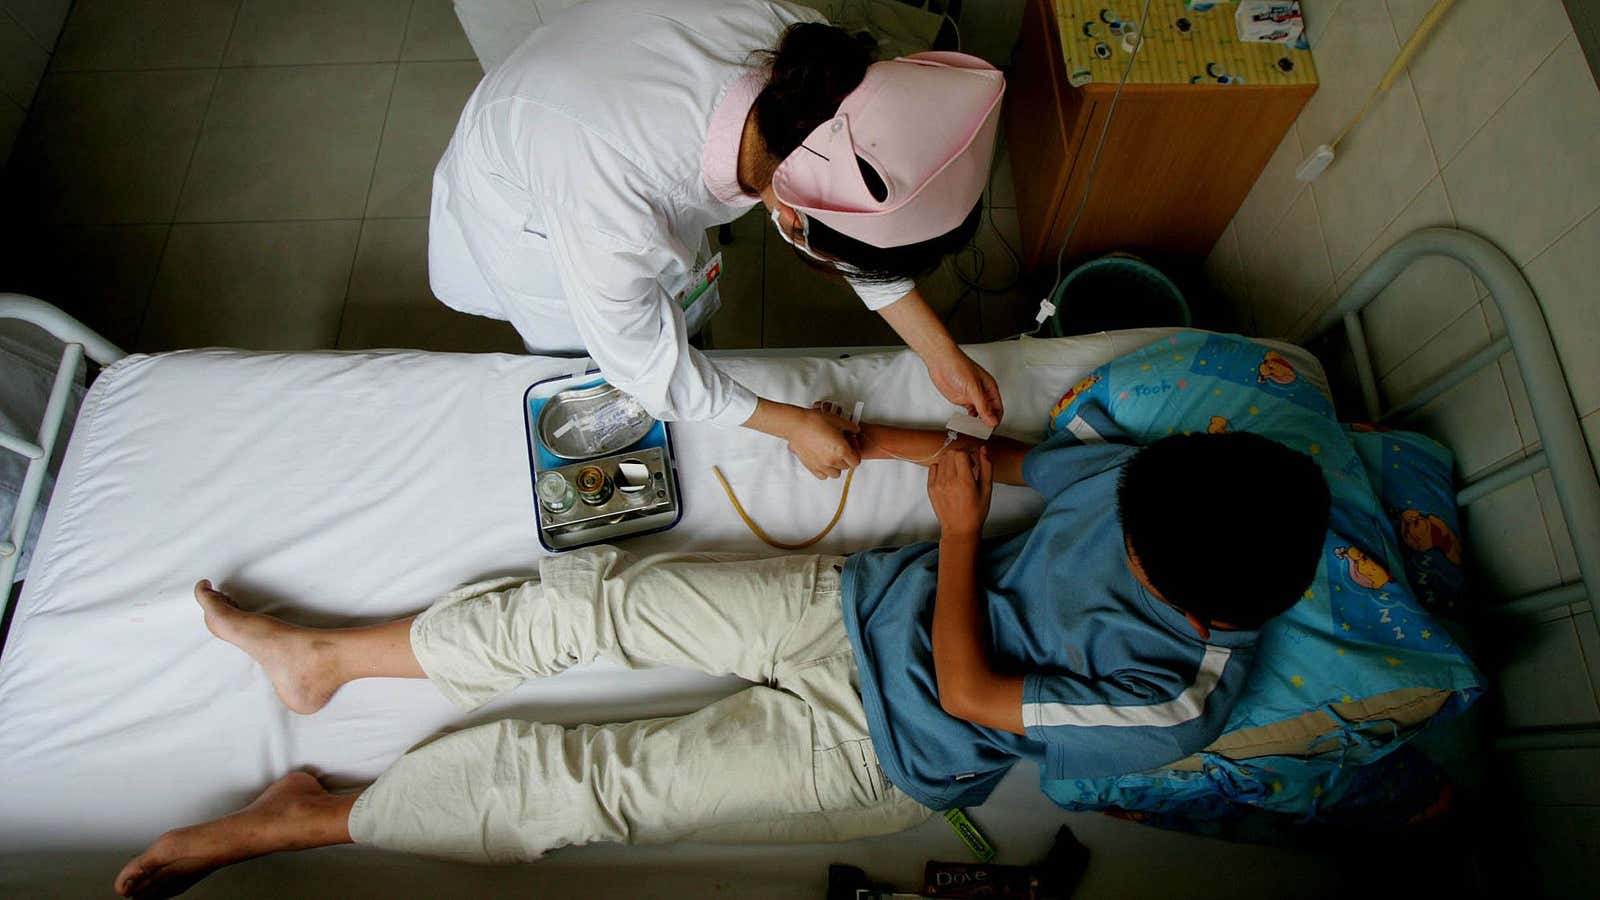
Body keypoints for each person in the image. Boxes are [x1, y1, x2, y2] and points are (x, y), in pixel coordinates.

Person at [114, 414, 1331, 899]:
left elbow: (970, 692)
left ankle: (305, 820)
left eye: (1135, 555)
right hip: (853, 601)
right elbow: (1008, 461)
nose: (1113, 531)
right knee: (602, 602)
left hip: (879, 753)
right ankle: (324, 660)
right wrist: (871, 442)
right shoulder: (1168, 485)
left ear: (1197, 605)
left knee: (600, 793)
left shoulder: (1178, 699)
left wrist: (959, 532)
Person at [429, 0, 1008, 480]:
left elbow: (852, 205)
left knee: (670, 294)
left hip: (586, 95)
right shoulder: (608, 202)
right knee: (593, 360)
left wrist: (940, 353)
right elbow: (646, 370)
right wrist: (793, 425)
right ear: (793, 223)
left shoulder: (815, 67)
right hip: (526, 200)